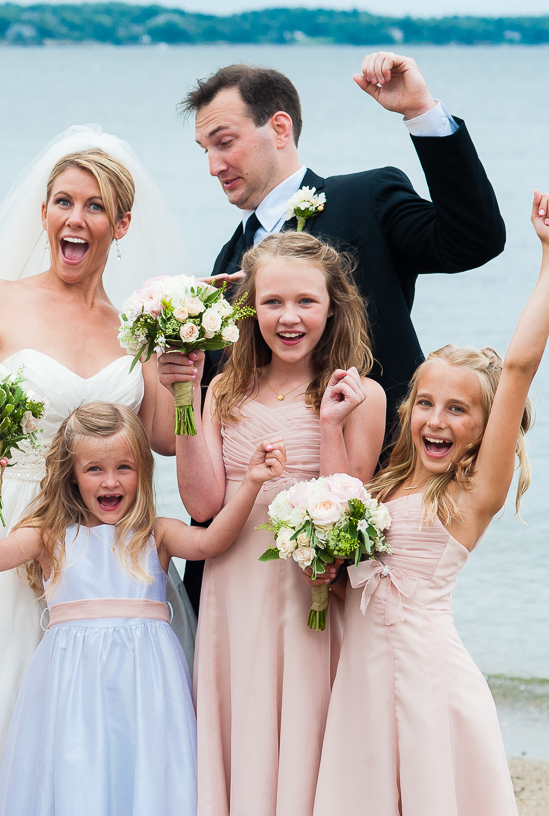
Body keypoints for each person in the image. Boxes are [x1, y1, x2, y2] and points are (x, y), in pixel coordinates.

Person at [0, 126, 192, 816]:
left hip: (111, 548)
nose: (74, 218)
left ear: (121, 224)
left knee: (104, 732)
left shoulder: (137, 327)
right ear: (45, 213)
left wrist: (185, 376)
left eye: (92, 206)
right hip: (16, 524)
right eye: (63, 202)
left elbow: (166, 441)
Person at [170, 53, 507, 612]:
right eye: (204, 150)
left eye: (223, 142)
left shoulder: (365, 199)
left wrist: (420, 112)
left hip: (361, 518)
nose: (213, 165)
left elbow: (473, 238)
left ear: (279, 127)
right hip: (242, 549)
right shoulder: (227, 264)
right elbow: (216, 412)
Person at [314, 191, 549, 816]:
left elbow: (516, 369)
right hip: (361, 681)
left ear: (486, 431)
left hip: (426, 683)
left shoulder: (468, 497)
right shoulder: (385, 484)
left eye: (458, 409)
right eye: (426, 403)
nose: (437, 419)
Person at [0, 403, 280, 816]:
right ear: (71, 475)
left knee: (145, 773)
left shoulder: (156, 533)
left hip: (148, 686)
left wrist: (251, 482)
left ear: (142, 471)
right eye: (94, 469)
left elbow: (210, 542)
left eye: (124, 467)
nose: (110, 481)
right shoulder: (49, 536)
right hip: (72, 687)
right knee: (77, 773)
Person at [174, 232, 385, 816]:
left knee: (309, 732)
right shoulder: (224, 390)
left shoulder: (360, 395)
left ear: (332, 306)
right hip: (234, 593)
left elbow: (347, 516)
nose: (288, 318)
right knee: (241, 726)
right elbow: (201, 503)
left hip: (311, 594)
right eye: (272, 302)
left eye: (305, 302)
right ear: (251, 310)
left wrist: (328, 426)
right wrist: (187, 392)